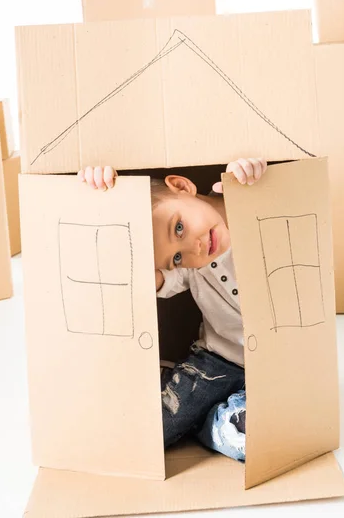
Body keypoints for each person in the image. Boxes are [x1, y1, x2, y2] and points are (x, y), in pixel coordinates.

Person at [78, 158, 267, 461]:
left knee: (274, 429)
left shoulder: (248, 195)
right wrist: (99, 195)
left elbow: (280, 192)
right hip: (219, 361)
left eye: (179, 228)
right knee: (154, 429)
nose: (193, 248)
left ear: (182, 187)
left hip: (278, 362)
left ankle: (219, 421)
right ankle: (210, 415)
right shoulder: (191, 267)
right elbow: (131, 274)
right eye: (176, 259)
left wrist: (251, 172)